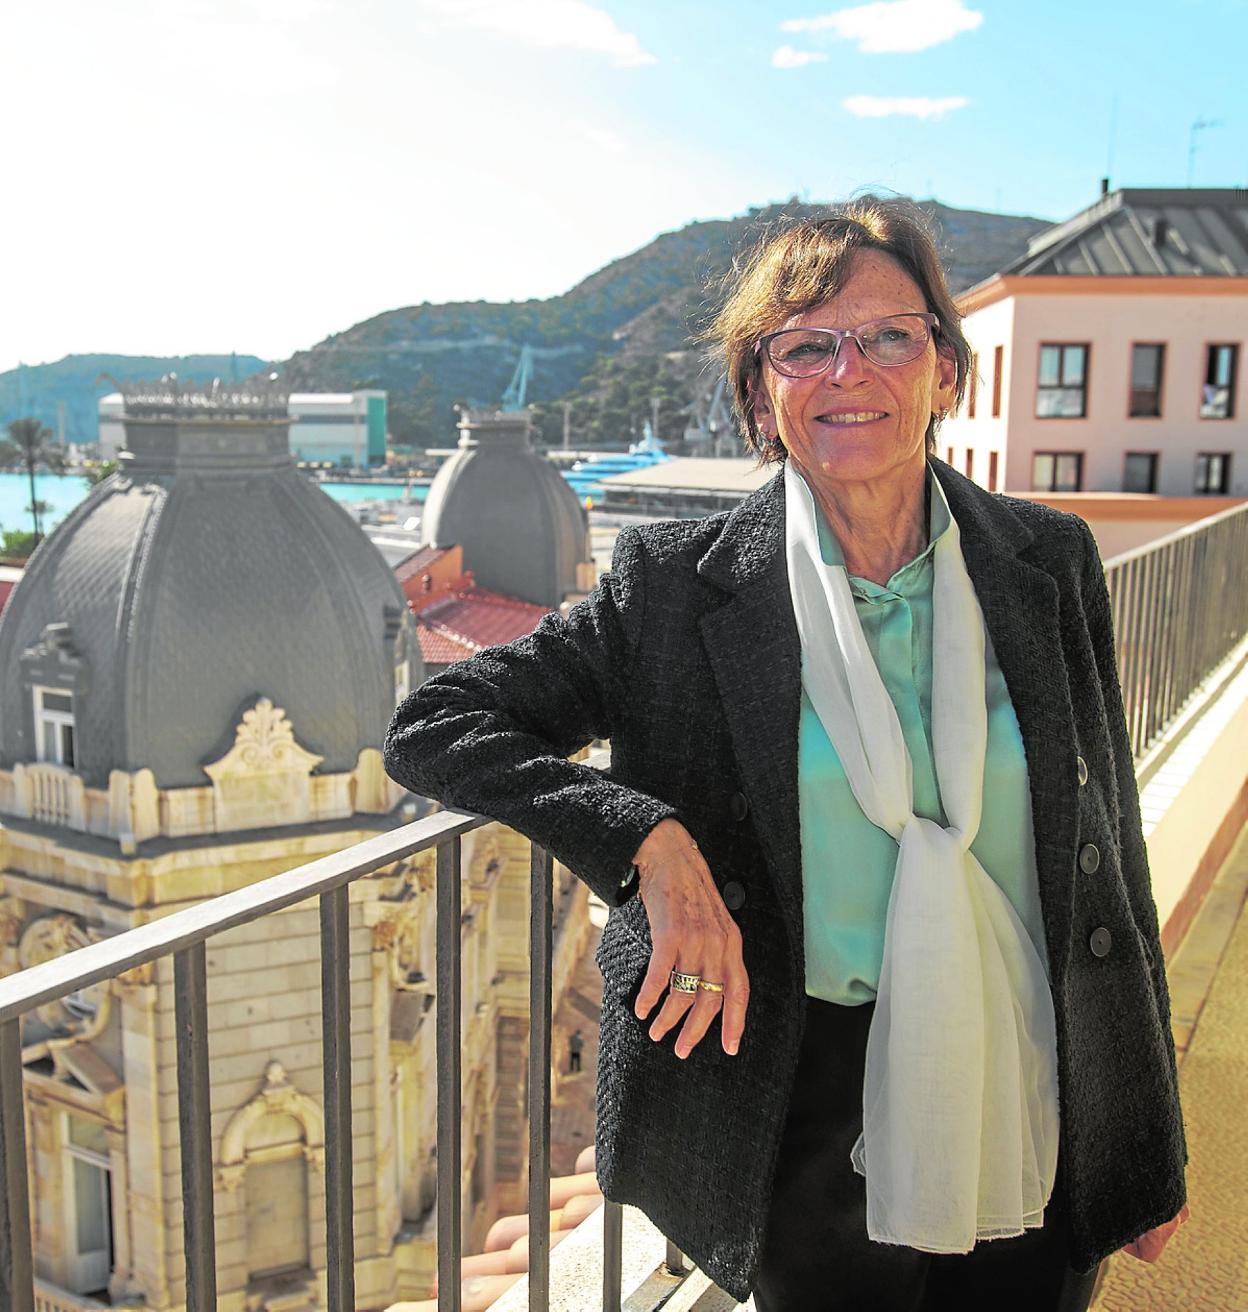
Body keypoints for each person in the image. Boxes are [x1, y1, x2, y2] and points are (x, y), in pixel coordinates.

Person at [384, 198, 1188, 1311]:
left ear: (946, 372)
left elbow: (1116, 860)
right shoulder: (672, 585)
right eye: (804, 347)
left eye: (888, 336)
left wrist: (1149, 1141)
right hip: (797, 1103)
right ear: (762, 396)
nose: (847, 370)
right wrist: (648, 843)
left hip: (1034, 1067)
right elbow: (435, 725)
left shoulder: (1047, 561)